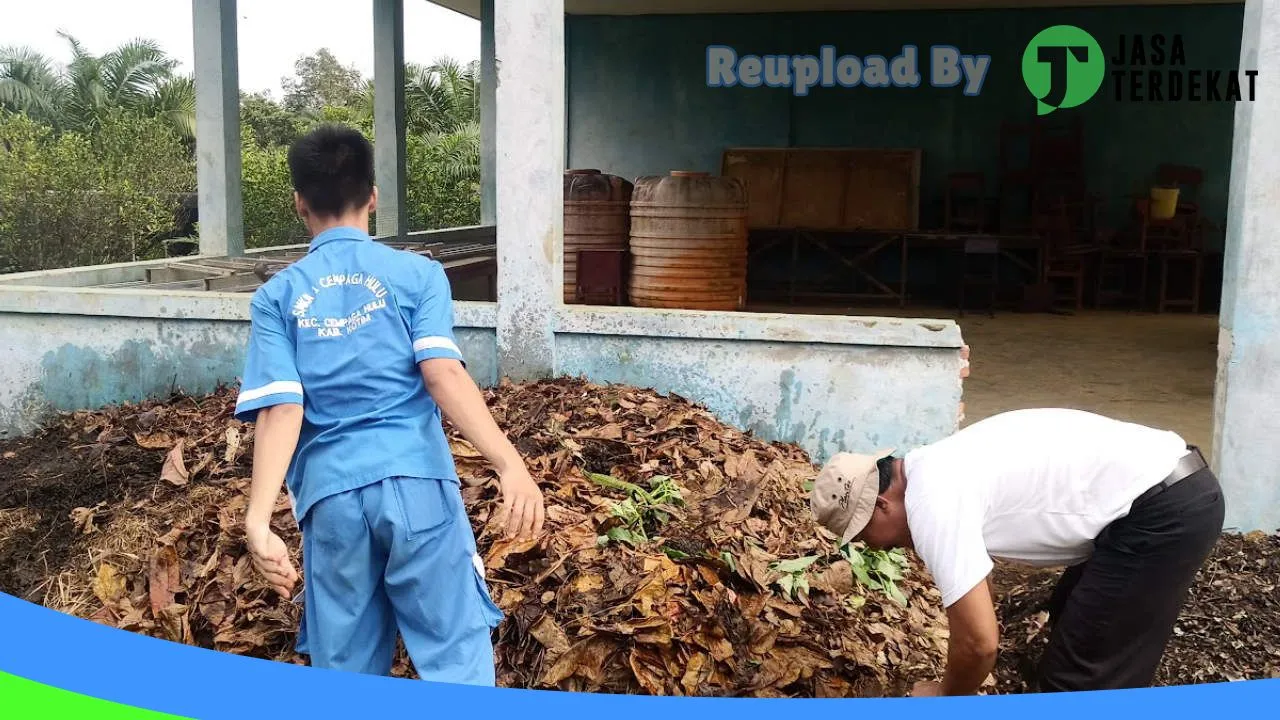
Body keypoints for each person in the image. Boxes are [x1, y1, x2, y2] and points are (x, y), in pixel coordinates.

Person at [235, 124, 545, 683]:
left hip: (330, 503)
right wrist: (509, 463)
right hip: (417, 487)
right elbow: (441, 372)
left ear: (299, 203)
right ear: (373, 196)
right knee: (455, 662)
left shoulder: (275, 298)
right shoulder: (419, 275)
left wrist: (258, 520)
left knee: (346, 675)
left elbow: (282, 409)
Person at [810, 408, 1225, 696]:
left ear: (882, 504)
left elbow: (979, 646)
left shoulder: (929, 499)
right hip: (1163, 491)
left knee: (1078, 683)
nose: (878, 547)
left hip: (1160, 510)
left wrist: (945, 696)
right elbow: (977, 586)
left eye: (865, 535)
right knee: (1077, 627)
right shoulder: (934, 464)